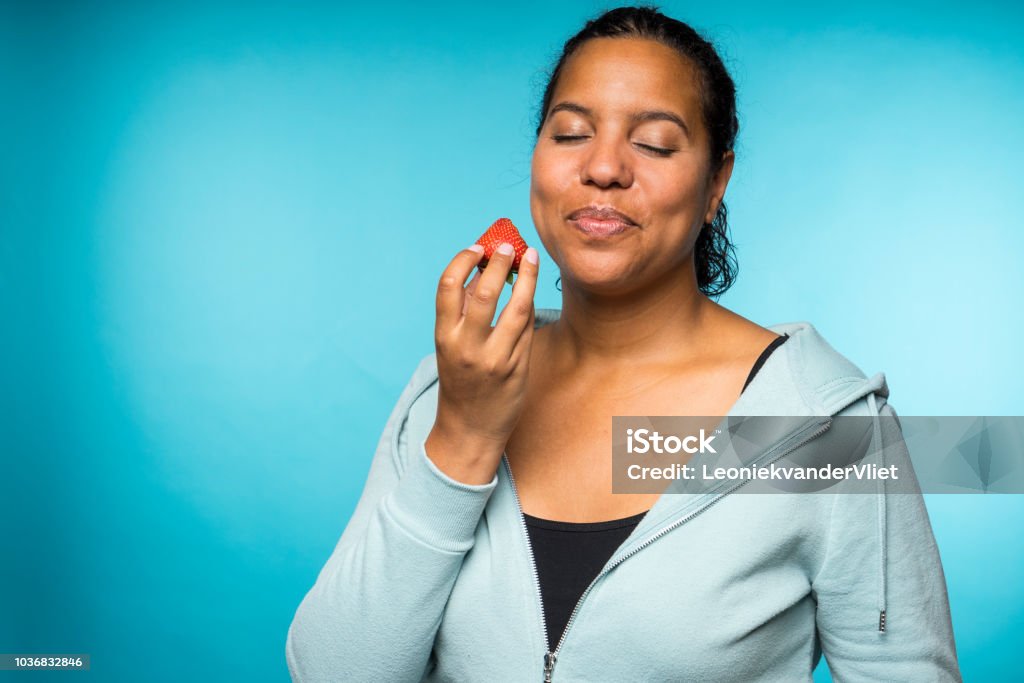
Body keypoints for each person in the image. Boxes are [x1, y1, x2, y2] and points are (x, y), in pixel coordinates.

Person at [286, 6, 960, 681]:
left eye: (657, 144)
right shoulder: (450, 391)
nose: (603, 167)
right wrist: (462, 437)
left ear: (715, 184)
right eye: (571, 133)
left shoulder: (826, 429)